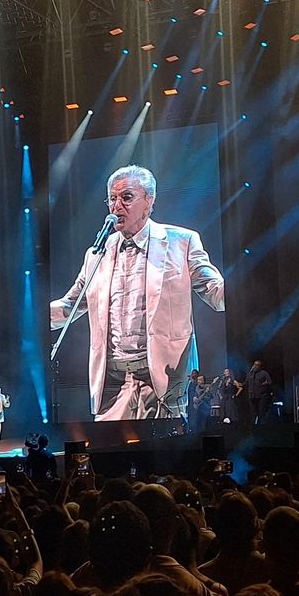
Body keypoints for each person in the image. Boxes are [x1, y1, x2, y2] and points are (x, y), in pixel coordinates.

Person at [51, 165, 224, 421]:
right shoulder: (98, 252)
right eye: (112, 199)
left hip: (165, 374)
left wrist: (247, 288)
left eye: (126, 197)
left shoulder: (181, 242)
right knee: (110, 451)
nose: (116, 206)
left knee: (162, 452)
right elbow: (71, 305)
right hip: (112, 378)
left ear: (149, 201)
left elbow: (215, 291)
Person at [248, 359, 274, 425]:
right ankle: (253, 425)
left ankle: (262, 426)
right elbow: (246, 382)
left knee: (261, 412)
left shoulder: (264, 373)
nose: (255, 366)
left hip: (262, 396)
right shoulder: (250, 374)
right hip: (252, 396)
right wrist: (240, 384)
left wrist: (265, 383)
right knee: (253, 412)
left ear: (260, 366)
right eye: (254, 364)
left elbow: (270, 382)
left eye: (257, 365)